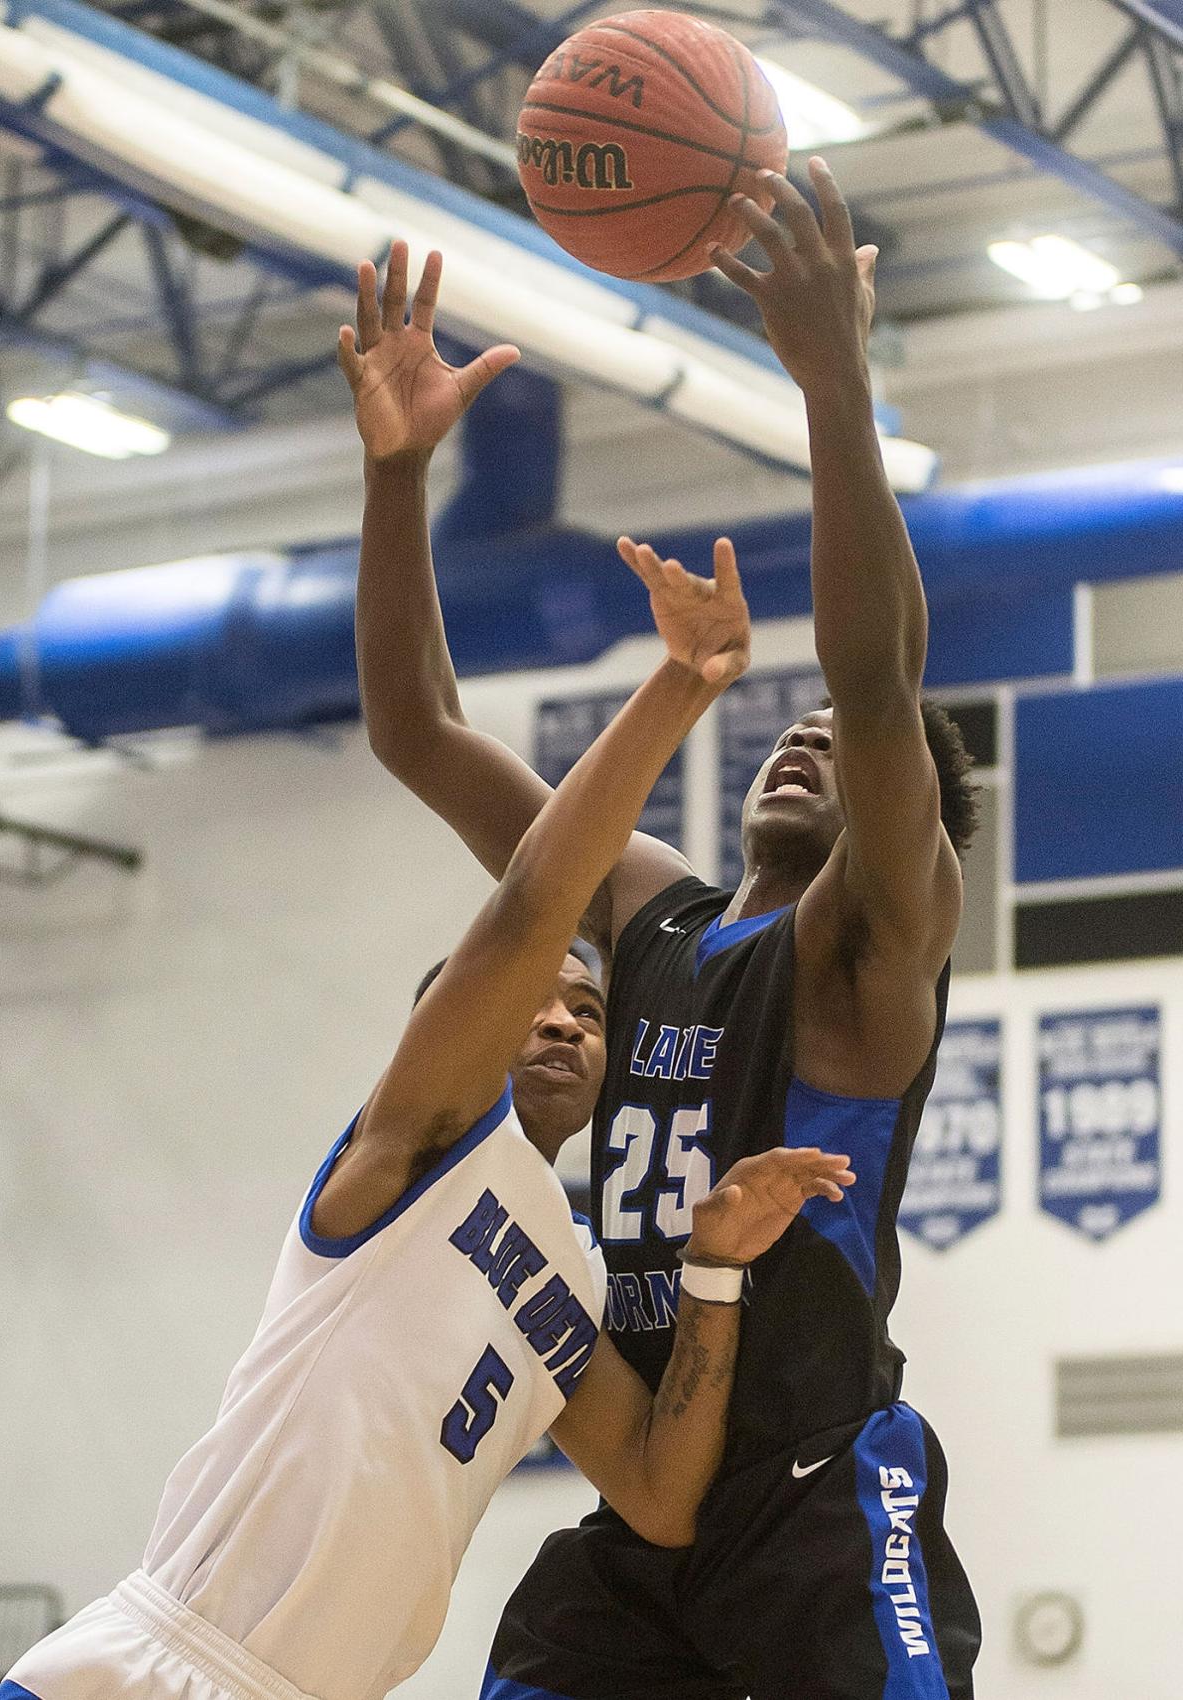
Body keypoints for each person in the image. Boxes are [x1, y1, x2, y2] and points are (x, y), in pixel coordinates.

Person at [0, 384, 856, 1700]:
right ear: (444, 1027)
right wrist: (668, 686)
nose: (563, 1012)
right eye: (530, 998)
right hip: (156, 1666)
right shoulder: (414, 1152)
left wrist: (719, 1273)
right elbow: (519, 900)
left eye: (590, 1007)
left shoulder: (561, 1274)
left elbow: (665, 1497)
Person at [350, 157, 982, 1700]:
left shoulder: (865, 963)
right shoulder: (650, 910)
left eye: (846, 747)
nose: (808, 738)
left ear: (913, 836)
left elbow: (886, 679)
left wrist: (836, 384)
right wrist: (393, 479)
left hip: (817, 1492)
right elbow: (420, 729)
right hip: (648, 1494)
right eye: (797, 724)